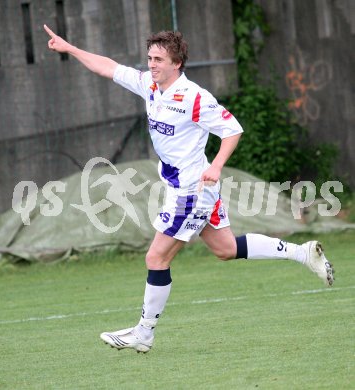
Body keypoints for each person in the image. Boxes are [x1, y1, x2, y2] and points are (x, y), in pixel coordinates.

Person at [44, 25, 334, 353]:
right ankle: (302, 252)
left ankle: (144, 333)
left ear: (176, 63)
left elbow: (232, 129)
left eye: (158, 59)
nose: (151, 64)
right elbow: (107, 66)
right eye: (150, 58)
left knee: (156, 257)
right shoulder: (149, 86)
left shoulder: (194, 97)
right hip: (186, 187)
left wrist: (217, 165)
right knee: (225, 248)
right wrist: (71, 48)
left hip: (191, 191)